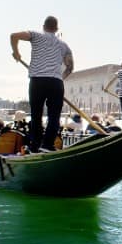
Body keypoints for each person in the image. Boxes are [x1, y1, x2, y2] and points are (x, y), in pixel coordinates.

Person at [10, 16, 74, 152]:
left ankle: (35, 145)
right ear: (56, 29)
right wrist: (59, 78)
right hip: (56, 83)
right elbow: (70, 67)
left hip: (37, 81)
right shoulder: (64, 45)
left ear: (43, 26)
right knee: (54, 116)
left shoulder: (36, 35)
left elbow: (13, 36)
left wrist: (17, 53)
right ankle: (48, 145)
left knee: (36, 114)